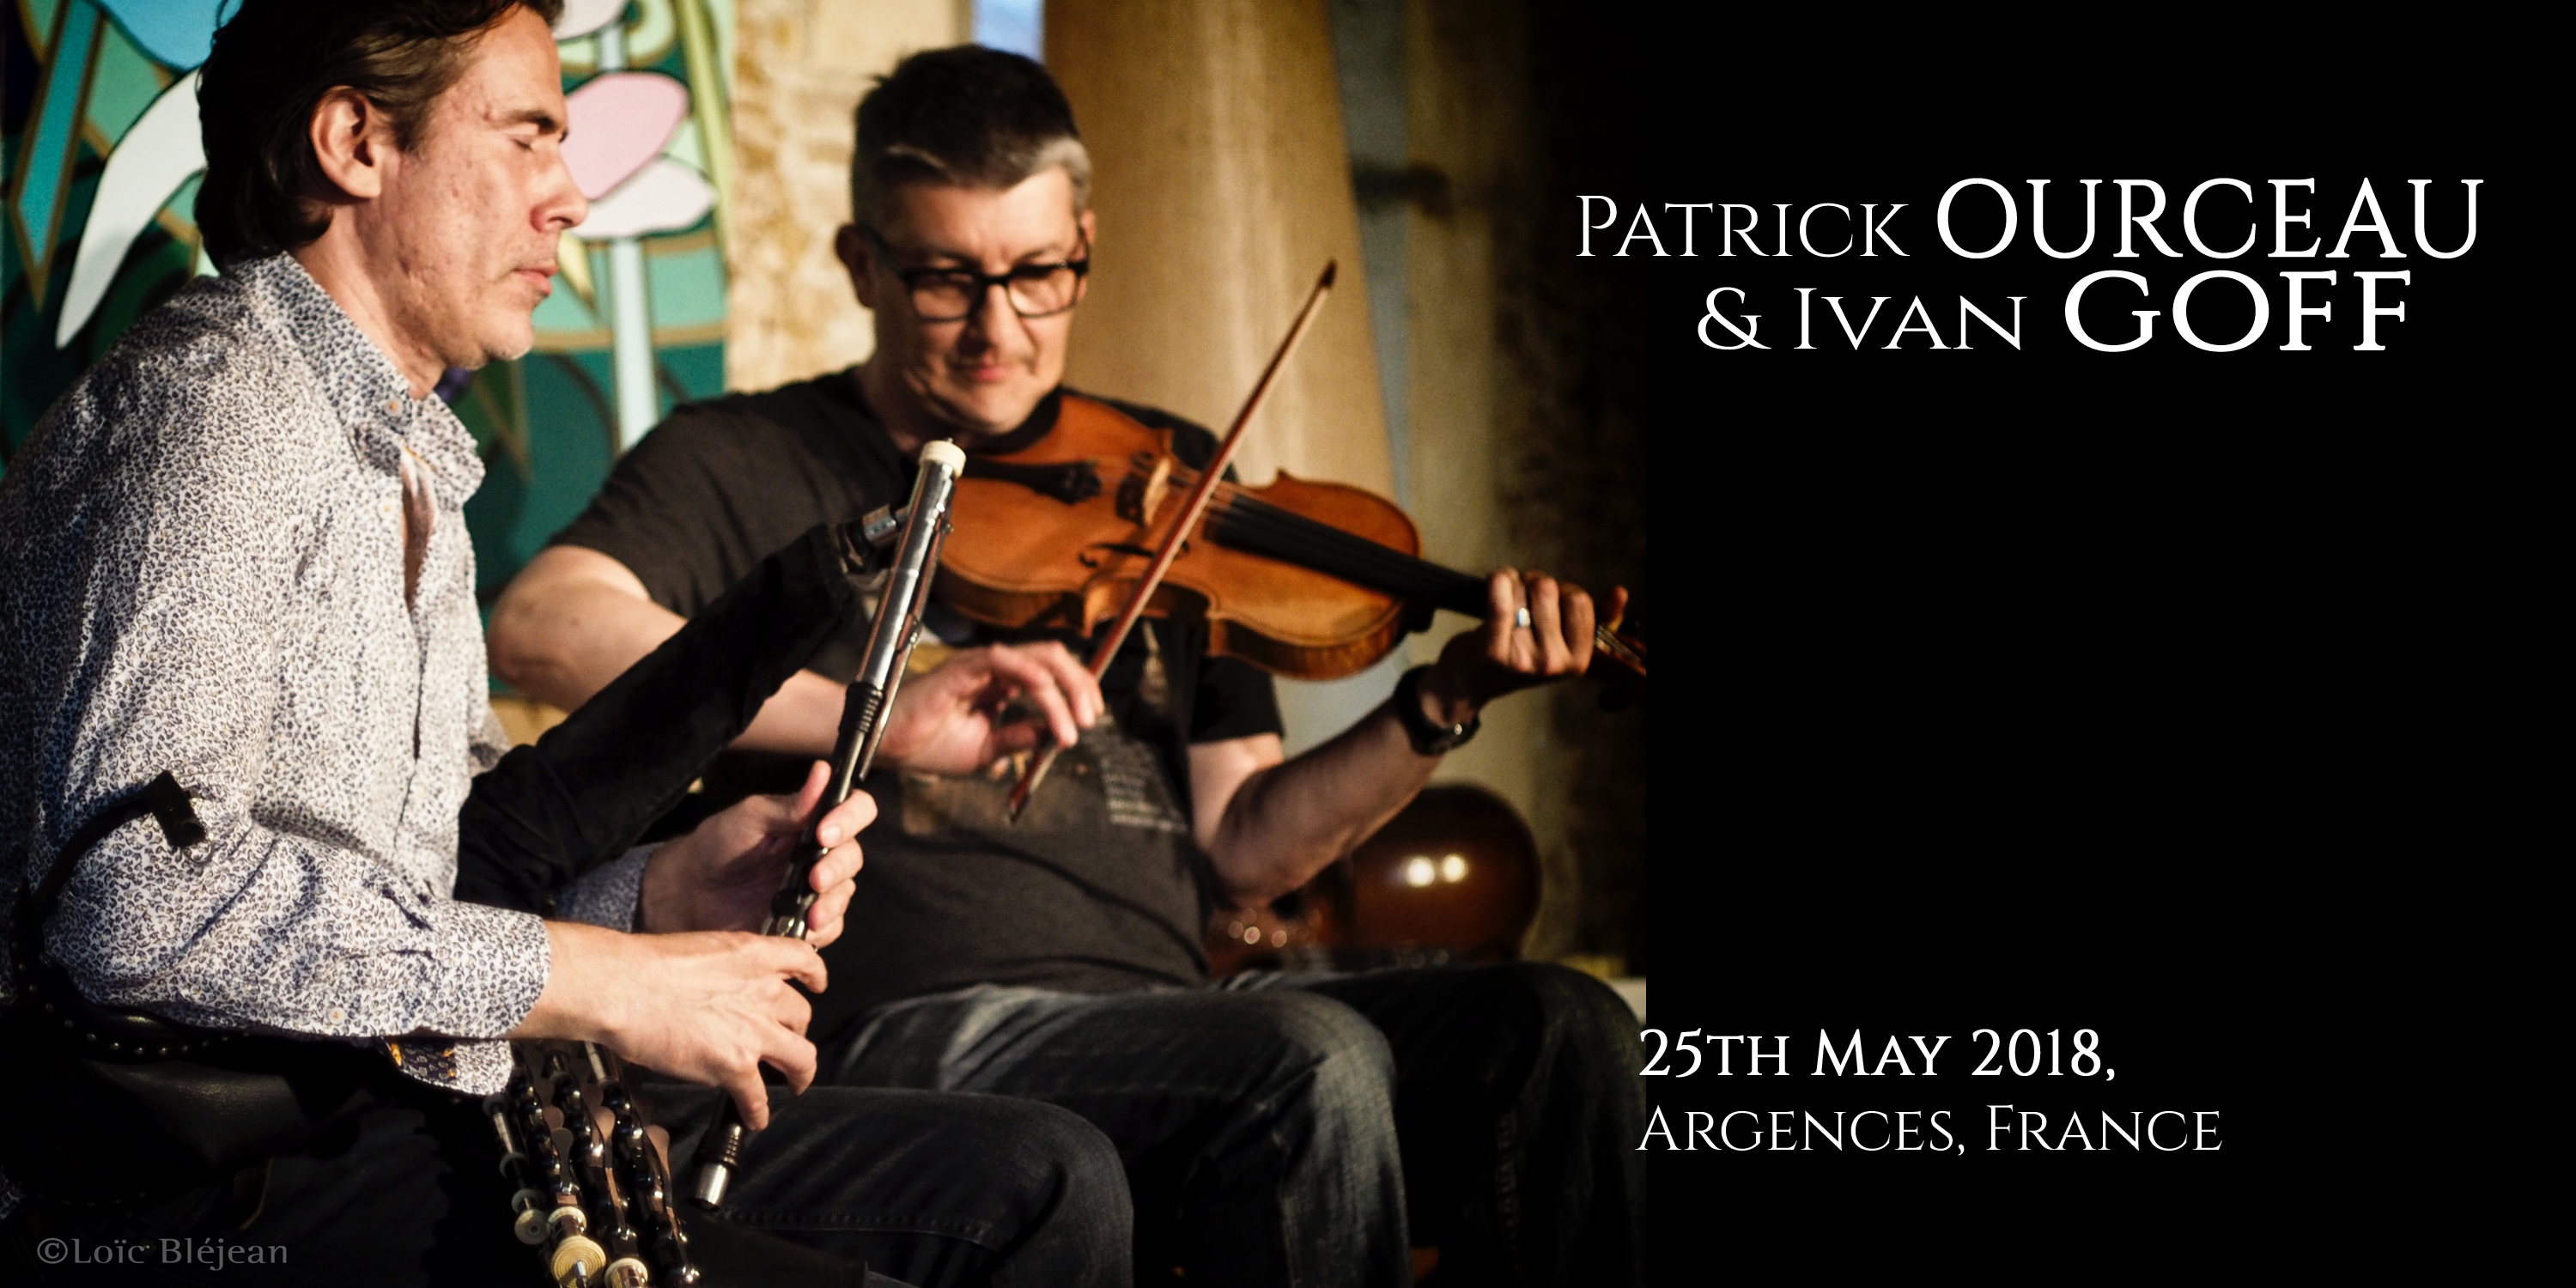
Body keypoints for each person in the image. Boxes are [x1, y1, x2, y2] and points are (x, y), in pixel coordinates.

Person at [0, 6, 1129, 1285]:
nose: (571, 197)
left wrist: (654, 897)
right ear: (356, 142)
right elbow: (136, 902)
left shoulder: (408, 455)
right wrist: (602, 977)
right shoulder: (215, 415)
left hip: (373, 1107)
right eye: (528, 138)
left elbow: (435, 884)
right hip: (196, 1187)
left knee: (1041, 1177)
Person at [488, 45, 1643, 1287]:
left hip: (1172, 1015)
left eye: (1038, 275)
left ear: (1084, 246)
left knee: (1562, 1029)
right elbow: (545, 623)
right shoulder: (745, 457)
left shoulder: (1170, 483)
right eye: (947, 282)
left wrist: (1444, 698)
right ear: (862, 263)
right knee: (1305, 1060)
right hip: (910, 1020)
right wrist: (882, 719)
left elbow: (1246, 846)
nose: (999, 331)